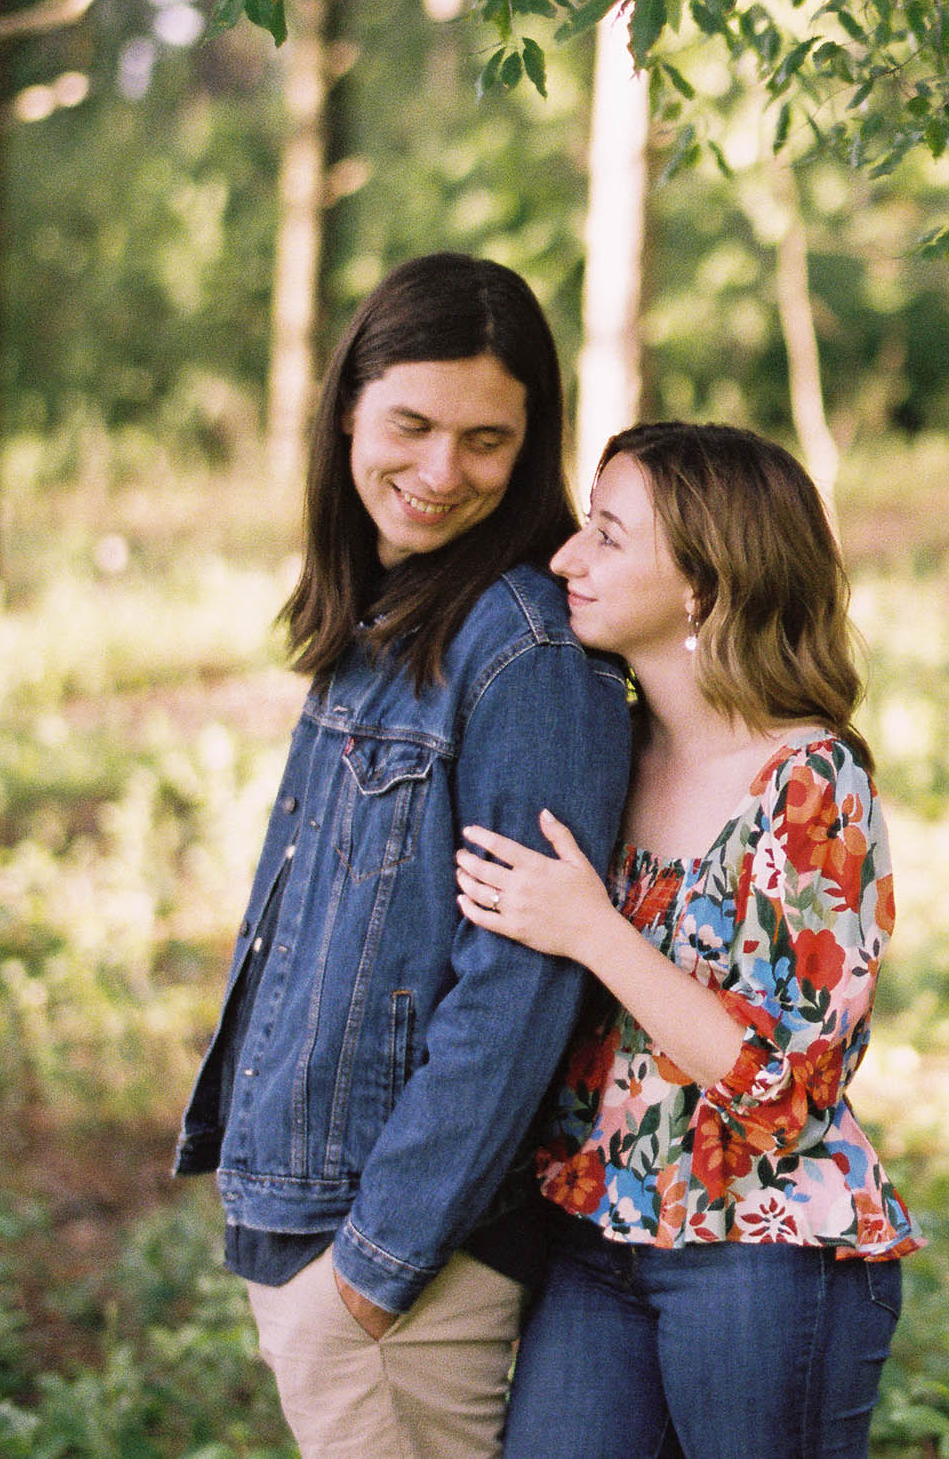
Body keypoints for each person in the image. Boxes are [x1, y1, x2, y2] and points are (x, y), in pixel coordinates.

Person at [174, 252, 632, 1459]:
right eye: (413, 425)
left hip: (401, 1261)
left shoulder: (526, 650)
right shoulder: (379, 615)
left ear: (532, 446)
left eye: (486, 441)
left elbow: (521, 982)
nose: (441, 472)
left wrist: (373, 1266)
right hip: (315, 1222)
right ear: (347, 410)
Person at [451, 421, 921, 1459]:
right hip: (597, 1236)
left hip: (762, 1252)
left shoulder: (808, 783)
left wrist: (592, 928)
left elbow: (789, 1084)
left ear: (703, 585)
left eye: (608, 536)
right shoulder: (604, 745)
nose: (568, 556)